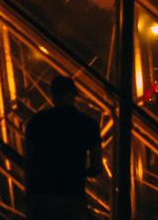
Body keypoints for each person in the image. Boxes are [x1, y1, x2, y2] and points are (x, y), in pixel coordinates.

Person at [25, 76, 101, 220]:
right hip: (72, 194)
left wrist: (29, 196)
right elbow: (97, 167)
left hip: (43, 195)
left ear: (52, 94)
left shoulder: (37, 121)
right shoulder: (88, 124)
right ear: (74, 94)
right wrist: (79, 172)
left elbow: (29, 162)